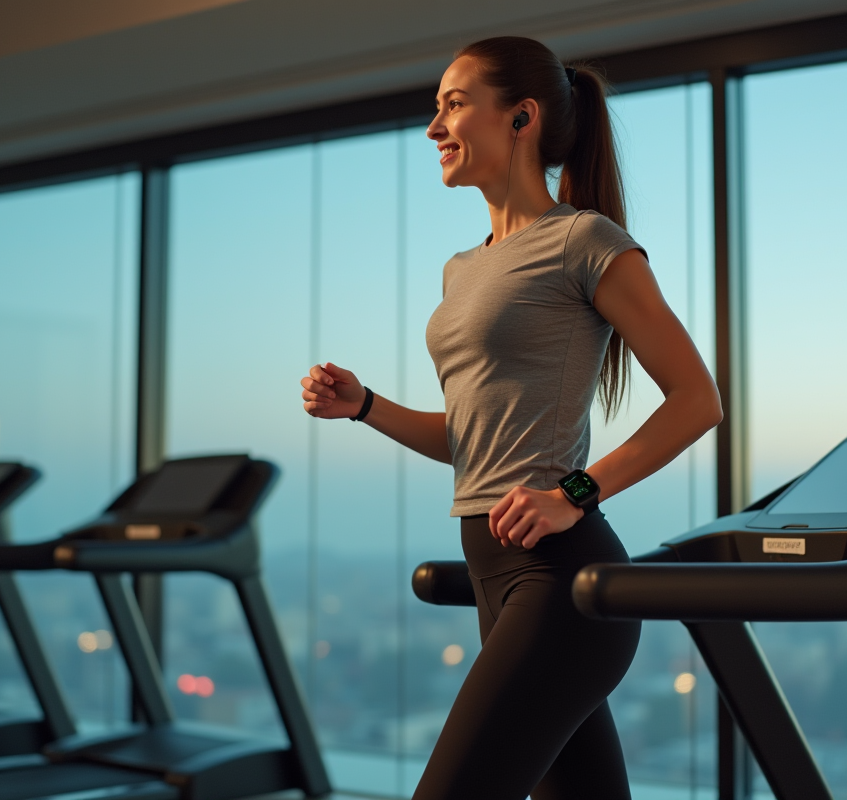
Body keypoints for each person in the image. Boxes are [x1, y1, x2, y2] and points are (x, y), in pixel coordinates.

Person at [299, 36, 722, 800]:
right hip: (493, 574)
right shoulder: (461, 269)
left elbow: (698, 400)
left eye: (454, 105)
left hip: (559, 580)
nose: (434, 127)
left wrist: (573, 495)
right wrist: (364, 406)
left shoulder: (584, 241)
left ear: (522, 117)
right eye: (436, 108)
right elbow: (472, 440)